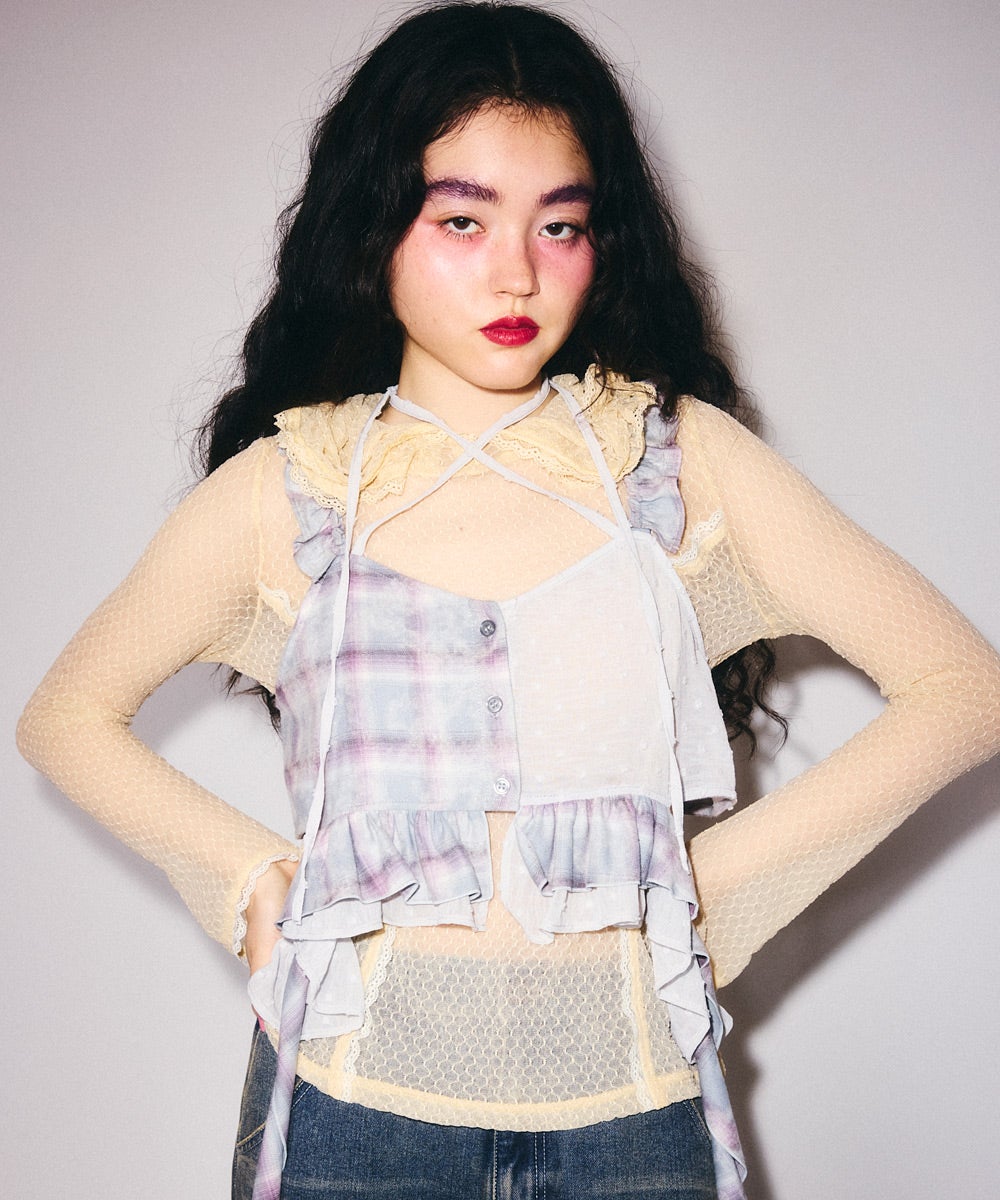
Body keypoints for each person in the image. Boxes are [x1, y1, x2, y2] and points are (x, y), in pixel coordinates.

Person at [16, 3, 1000, 1198]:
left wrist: (718, 894)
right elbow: (65, 718)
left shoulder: (676, 463)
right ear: (375, 225)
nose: (517, 271)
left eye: (560, 224)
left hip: (635, 1119)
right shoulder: (292, 485)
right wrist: (246, 878)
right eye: (462, 219)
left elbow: (961, 689)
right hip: (346, 1116)